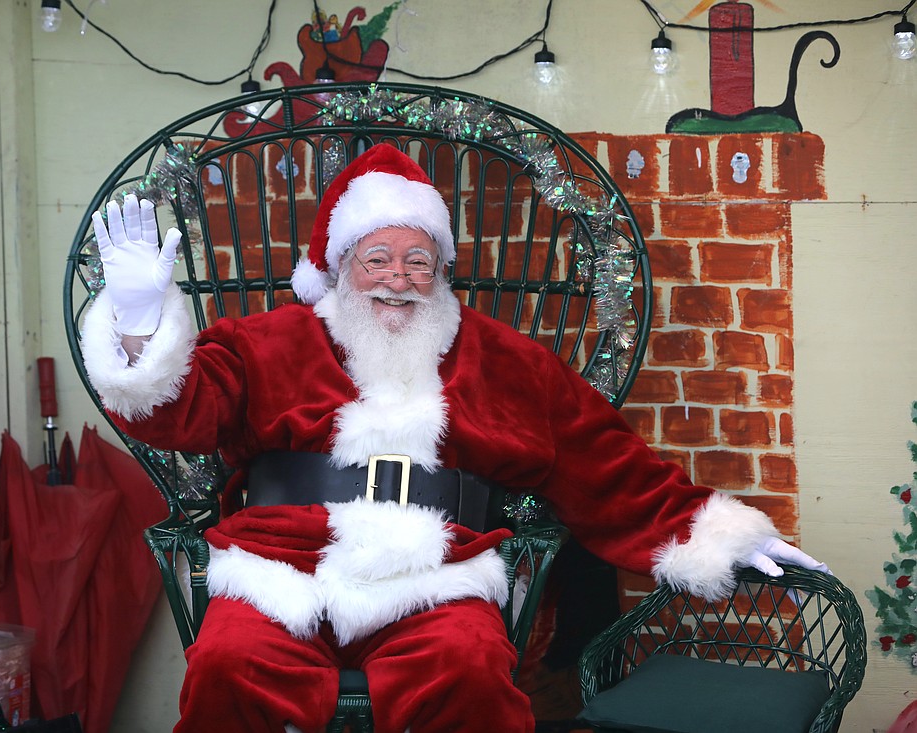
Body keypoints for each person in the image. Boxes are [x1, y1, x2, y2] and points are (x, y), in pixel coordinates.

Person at [80, 144, 827, 733]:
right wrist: (140, 322)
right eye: (377, 258)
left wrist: (710, 528)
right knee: (227, 665)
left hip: (436, 575)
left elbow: (601, 459)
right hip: (281, 567)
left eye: (418, 261)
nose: (397, 280)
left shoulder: (500, 359)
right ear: (341, 267)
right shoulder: (266, 343)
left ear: (441, 271)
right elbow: (177, 414)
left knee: (472, 670)